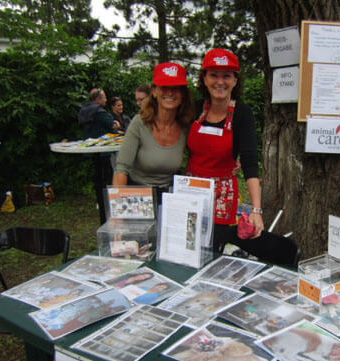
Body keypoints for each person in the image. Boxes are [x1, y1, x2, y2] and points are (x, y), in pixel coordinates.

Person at [187, 48, 265, 253]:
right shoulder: (194, 109)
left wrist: (256, 210)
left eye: (227, 76)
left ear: (235, 80)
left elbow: (250, 162)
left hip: (222, 195)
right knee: (188, 245)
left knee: (213, 249)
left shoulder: (242, 113)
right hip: (192, 190)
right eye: (214, 75)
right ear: (204, 79)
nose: (220, 82)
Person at [113, 62, 194, 193]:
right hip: (138, 194)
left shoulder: (186, 127)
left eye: (175, 88)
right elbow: (122, 168)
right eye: (164, 87)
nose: (170, 93)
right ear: (154, 91)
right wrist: (119, 200)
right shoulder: (139, 123)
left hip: (169, 195)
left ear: (183, 94)